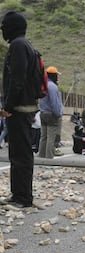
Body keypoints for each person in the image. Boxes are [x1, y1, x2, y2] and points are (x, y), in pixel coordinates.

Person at [0, 11, 38, 208]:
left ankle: (23, 197)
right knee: (19, 152)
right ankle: (18, 194)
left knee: (20, 154)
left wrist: (7, 106)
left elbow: (17, 79)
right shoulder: (25, 44)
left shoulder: (17, 45)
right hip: (24, 107)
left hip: (19, 108)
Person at [38, 66, 63, 159]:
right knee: (51, 137)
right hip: (51, 114)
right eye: (56, 75)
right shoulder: (52, 87)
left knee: (43, 136)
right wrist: (58, 114)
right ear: (54, 75)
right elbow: (55, 103)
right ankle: (49, 159)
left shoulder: (42, 85)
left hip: (43, 113)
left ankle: (41, 156)